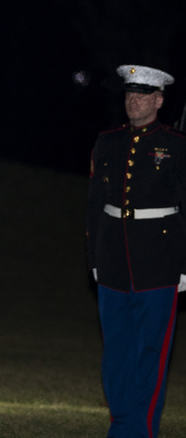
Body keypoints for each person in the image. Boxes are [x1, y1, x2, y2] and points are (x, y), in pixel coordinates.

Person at [87, 64, 185, 438]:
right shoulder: (108, 140)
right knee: (116, 353)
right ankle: (122, 425)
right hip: (112, 257)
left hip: (160, 261)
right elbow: (95, 203)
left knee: (149, 354)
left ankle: (139, 431)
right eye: (130, 93)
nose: (134, 100)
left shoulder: (176, 146)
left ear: (159, 100)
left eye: (143, 94)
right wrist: (93, 257)